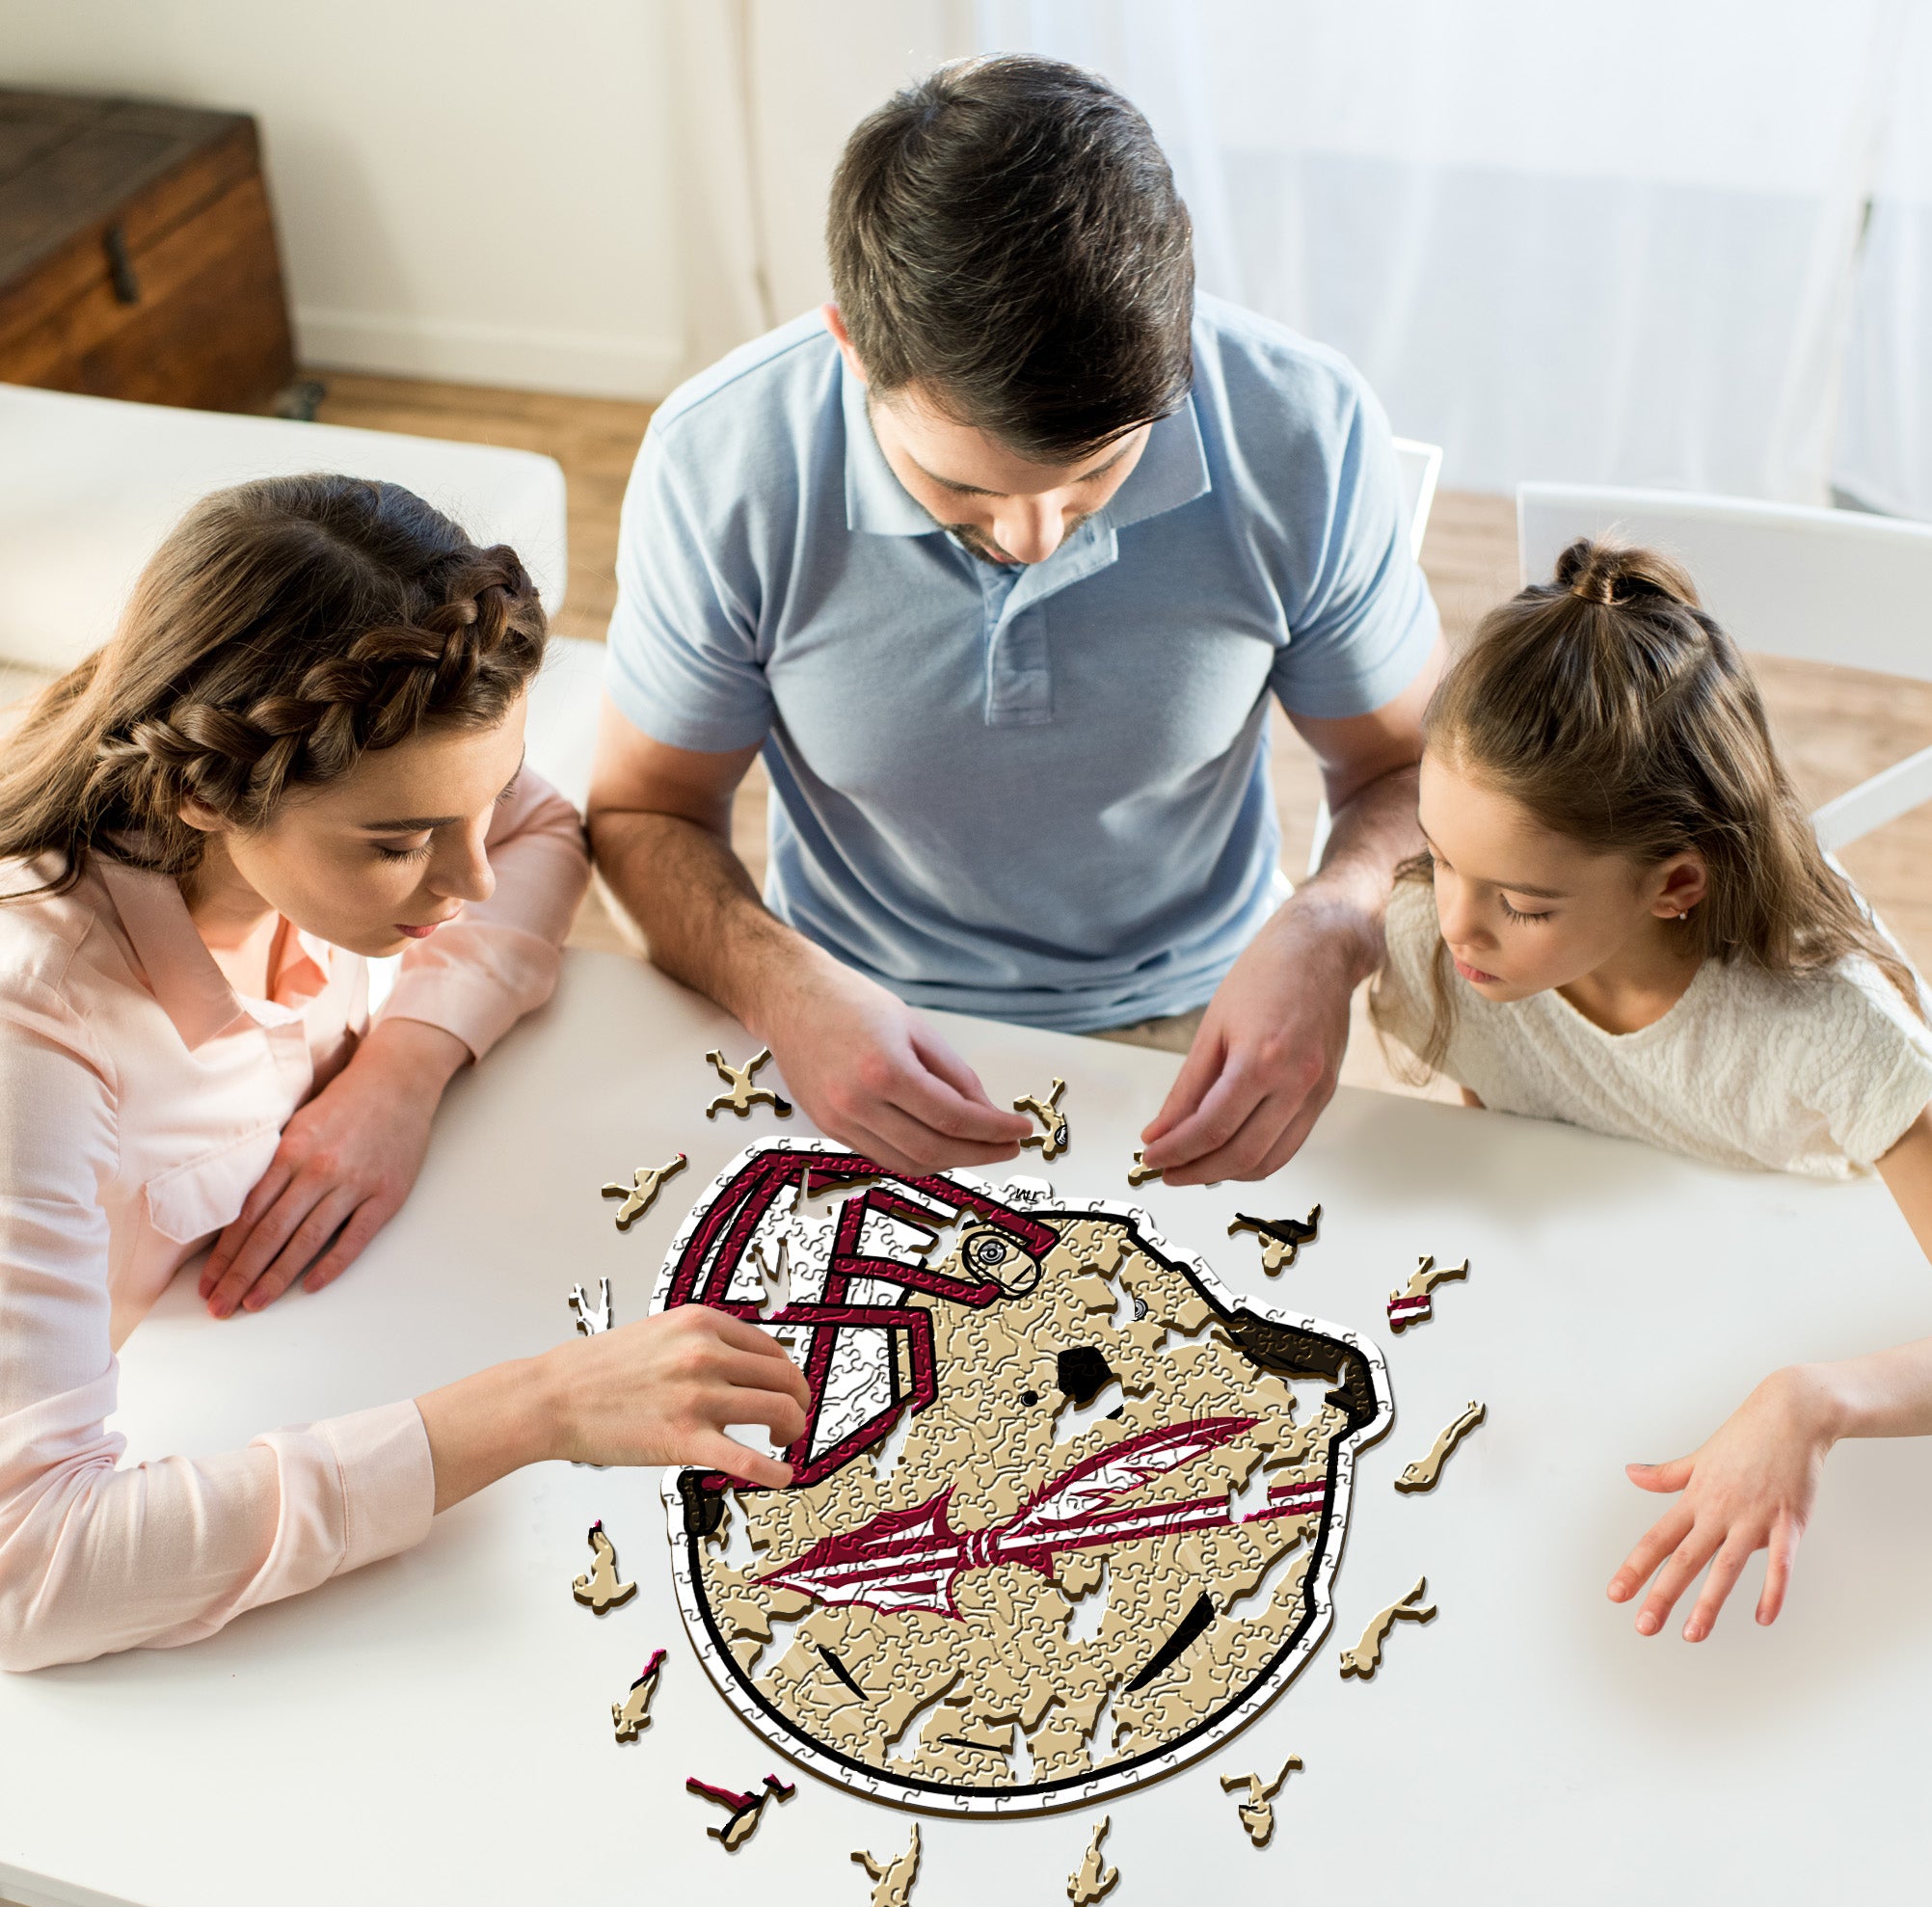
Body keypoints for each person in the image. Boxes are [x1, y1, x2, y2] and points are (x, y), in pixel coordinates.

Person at [588, 56, 1443, 1185]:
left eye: (1095, 478)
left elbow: (1411, 774)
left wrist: (1332, 930)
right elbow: (646, 811)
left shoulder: (1302, 429)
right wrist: (778, 986)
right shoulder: (721, 464)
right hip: (842, 1015)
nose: (1036, 536)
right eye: (966, 490)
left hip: (1206, 1011)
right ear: (853, 348)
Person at [0, 476, 807, 1671]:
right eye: (398, 844)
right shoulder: (37, 1038)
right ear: (201, 793)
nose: (469, 884)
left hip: (285, 1340)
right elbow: (35, 1572)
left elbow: (539, 833)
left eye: (473, 804)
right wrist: (538, 1409)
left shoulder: (341, 797)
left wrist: (403, 1066)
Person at [1370, 537, 1932, 1643]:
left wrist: (1813, 1400)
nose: (1454, 927)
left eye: (1521, 904)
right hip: (1623, 1323)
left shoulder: (1832, 1032)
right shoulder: (1443, 952)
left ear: (1676, 884)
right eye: (1440, 858)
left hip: (1845, 1341)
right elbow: (1521, 1130)